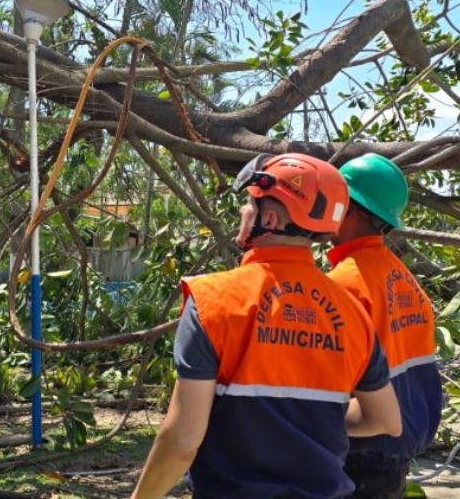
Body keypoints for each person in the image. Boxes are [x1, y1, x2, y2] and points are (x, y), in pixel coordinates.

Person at [131, 153, 402, 499]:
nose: (244, 213)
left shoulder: (212, 300)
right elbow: (386, 421)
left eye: (249, 204)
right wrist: (305, 426)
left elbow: (183, 441)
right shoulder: (353, 312)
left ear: (269, 219)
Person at [327, 153, 442, 498]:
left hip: (362, 453)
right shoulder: (404, 279)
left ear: (347, 206)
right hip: (396, 449)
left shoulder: (345, 283)